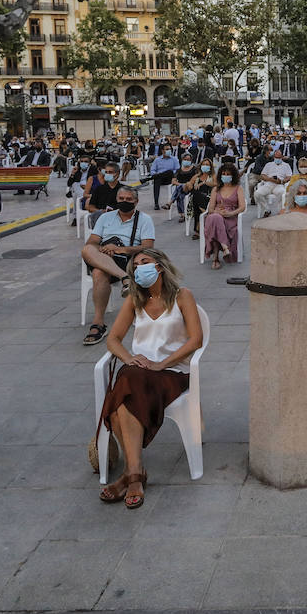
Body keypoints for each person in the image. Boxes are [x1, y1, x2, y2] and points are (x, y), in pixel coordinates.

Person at [97, 249, 203, 509]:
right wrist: (128, 357)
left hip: (173, 372)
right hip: (139, 372)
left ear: (160, 266)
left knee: (122, 395)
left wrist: (161, 364)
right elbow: (113, 339)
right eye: (136, 266)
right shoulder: (135, 300)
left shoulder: (182, 297)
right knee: (129, 381)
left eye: (146, 262)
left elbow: (196, 339)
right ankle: (135, 474)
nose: (140, 267)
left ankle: (131, 476)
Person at [81, 184, 154, 346]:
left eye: (129, 199)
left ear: (136, 201)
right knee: (87, 250)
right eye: (121, 199)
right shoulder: (105, 218)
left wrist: (121, 249)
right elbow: (92, 242)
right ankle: (125, 280)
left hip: (127, 259)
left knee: (99, 273)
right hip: (105, 256)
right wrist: (105, 249)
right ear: (116, 199)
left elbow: (148, 247)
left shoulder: (144, 219)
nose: (124, 201)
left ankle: (98, 324)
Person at [202, 161, 245, 269]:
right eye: (223, 174)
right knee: (215, 218)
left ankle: (215, 258)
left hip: (230, 217)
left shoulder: (238, 188)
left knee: (215, 222)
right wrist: (218, 212)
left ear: (233, 175)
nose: (225, 176)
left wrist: (230, 213)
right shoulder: (216, 189)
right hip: (215, 214)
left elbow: (242, 206)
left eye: (228, 174)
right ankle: (225, 247)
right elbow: (211, 208)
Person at [253, 146, 293, 216]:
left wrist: (282, 181)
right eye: (276, 157)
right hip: (268, 183)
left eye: (279, 157)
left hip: (279, 184)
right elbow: (263, 175)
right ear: (274, 157)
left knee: (282, 193)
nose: (277, 159)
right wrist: (270, 179)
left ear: (282, 157)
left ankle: (280, 210)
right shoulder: (269, 165)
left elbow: (289, 177)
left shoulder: (286, 165)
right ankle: (267, 209)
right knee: (257, 194)